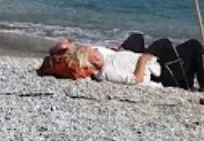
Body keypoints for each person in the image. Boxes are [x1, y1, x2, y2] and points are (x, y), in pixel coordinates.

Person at [40, 35, 202, 89]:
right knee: (192, 46)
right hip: (166, 74)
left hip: (161, 67)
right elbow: (136, 79)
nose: (95, 53)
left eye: (93, 51)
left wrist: (121, 52)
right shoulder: (106, 71)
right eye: (92, 54)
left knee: (138, 38)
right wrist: (144, 58)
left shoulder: (105, 62)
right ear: (90, 63)